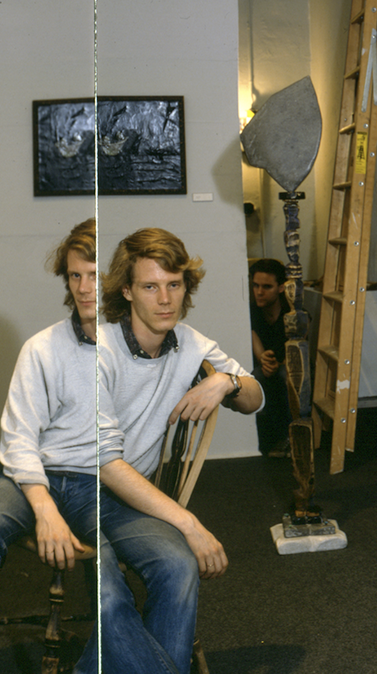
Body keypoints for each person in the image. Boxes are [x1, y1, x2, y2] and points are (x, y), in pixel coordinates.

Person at [97, 228, 262, 672]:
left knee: (178, 567)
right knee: (109, 595)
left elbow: (254, 398)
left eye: (174, 284)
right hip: (73, 494)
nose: (165, 299)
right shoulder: (97, 350)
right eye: (150, 287)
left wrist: (225, 381)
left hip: (132, 500)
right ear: (127, 291)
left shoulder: (190, 343)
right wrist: (188, 523)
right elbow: (105, 465)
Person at [0, 219, 100, 674]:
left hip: (103, 481)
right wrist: (44, 507)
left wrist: (224, 382)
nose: (83, 288)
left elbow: (236, 380)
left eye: (95, 275)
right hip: (33, 477)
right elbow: (18, 437)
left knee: (121, 553)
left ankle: (105, 661)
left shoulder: (144, 341)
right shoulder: (41, 348)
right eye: (74, 275)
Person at [248, 258, 292, 457]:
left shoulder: (292, 313)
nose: (259, 292)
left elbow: (296, 353)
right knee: (257, 376)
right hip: (266, 367)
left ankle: (290, 438)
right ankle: (268, 441)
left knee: (284, 375)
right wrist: (264, 360)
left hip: (290, 367)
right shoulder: (251, 312)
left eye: (266, 287)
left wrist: (277, 364)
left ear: (281, 288)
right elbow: (256, 342)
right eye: (255, 285)